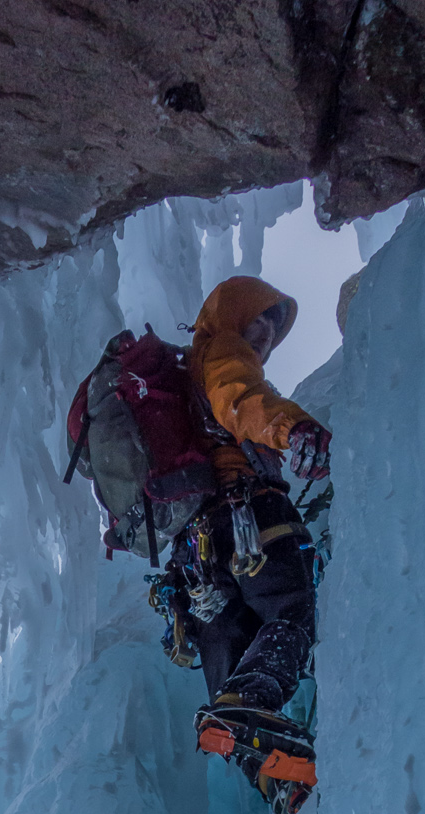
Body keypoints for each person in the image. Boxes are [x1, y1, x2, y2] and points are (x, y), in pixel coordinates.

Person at [168, 275, 331, 717]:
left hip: (197, 557)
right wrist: (291, 428)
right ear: (234, 316)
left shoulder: (185, 376)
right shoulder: (221, 350)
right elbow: (239, 400)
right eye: (258, 322)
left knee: (230, 684)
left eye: (272, 333)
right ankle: (253, 708)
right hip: (249, 520)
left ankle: (267, 771)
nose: (265, 337)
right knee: (292, 613)